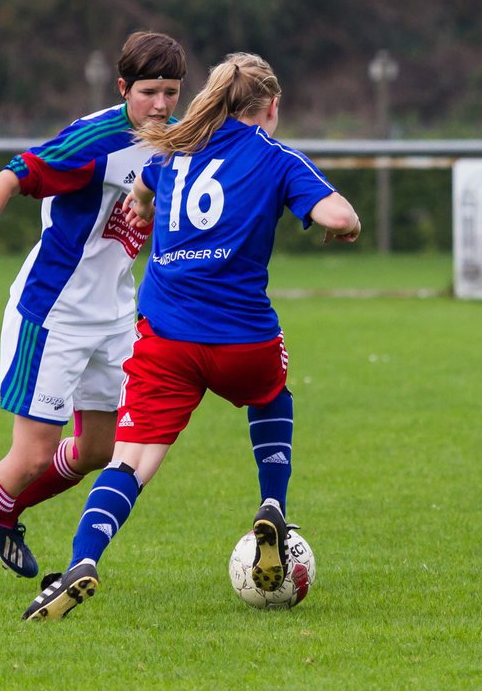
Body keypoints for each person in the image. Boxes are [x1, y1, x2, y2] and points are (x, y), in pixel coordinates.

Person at [22, 52, 361, 620]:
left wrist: (149, 211)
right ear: (272, 107)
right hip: (242, 337)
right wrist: (341, 226)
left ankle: (83, 560)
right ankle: (272, 503)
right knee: (271, 392)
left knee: (128, 462)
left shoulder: (174, 153)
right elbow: (340, 216)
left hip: (165, 338)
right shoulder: (277, 158)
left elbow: (142, 195)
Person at [0, 31, 187, 598]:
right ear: (123, 89)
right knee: (33, 453)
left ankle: (2, 512)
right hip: (54, 313)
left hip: (114, 318)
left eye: (171, 92)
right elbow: (7, 177)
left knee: (99, 451)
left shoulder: (175, 142)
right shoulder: (96, 141)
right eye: (149, 92)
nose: (160, 105)